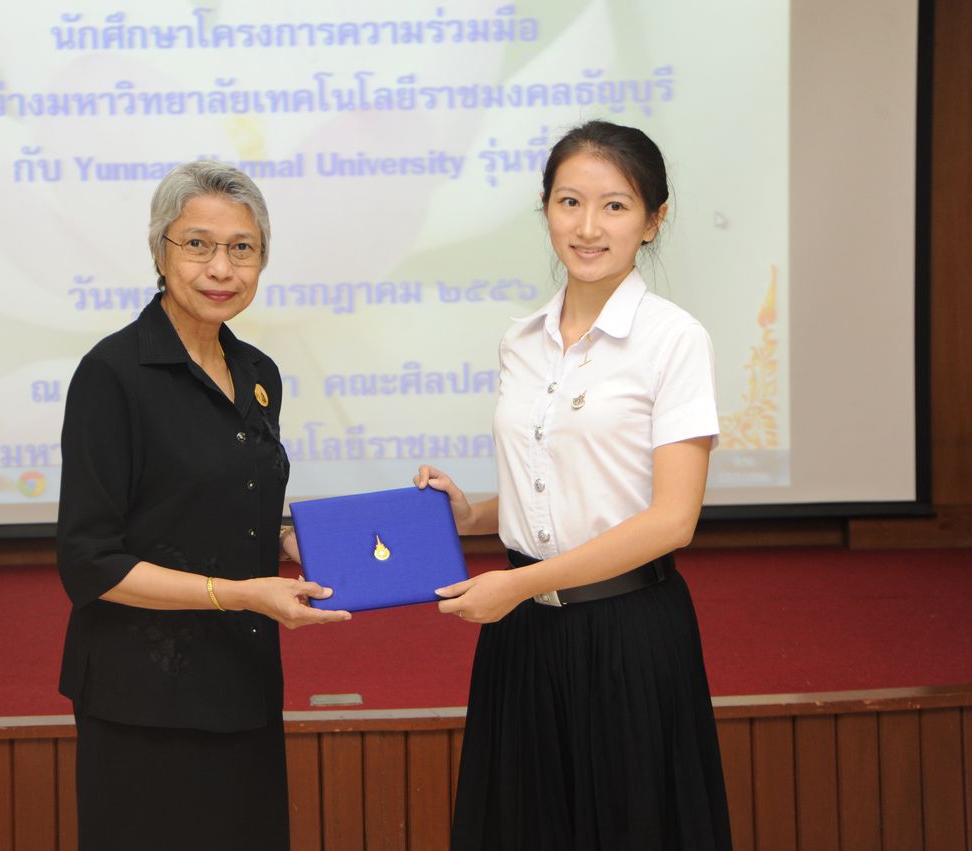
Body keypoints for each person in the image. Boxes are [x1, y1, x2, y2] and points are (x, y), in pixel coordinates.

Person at [415, 120, 732, 850]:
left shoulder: (674, 339)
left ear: (653, 220)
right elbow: (560, 482)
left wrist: (520, 584)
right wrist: (470, 513)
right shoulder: (520, 339)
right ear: (546, 209)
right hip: (523, 637)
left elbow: (672, 520)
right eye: (569, 202)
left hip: (627, 635)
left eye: (615, 206)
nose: (588, 227)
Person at [56, 160, 351, 851]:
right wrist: (241, 594)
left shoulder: (257, 373)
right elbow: (89, 562)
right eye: (198, 244)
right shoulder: (112, 374)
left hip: (244, 682)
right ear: (160, 251)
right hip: (143, 699)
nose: (222, 268)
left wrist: (287, 540)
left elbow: (220, 503)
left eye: (242, 248)